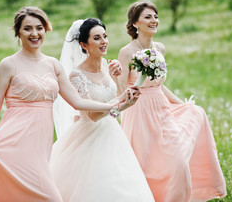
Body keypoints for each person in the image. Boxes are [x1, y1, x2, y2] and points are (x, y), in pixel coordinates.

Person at [0, 7, 122, 202]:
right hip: (12, 140)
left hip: (40, 146)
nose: (34, 33)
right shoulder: (8, 64)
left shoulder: (53, 65)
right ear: (18, 33)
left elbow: (77, 101)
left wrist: (113, 105)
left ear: (46, 30)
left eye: (39, 28)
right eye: (27, 29)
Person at [117, 1, 227, 202]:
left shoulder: (160, 48)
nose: (154, 21)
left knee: (177, 162)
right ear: (134, 23)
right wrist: (121, 91)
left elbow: (158, 85)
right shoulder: (127, 52)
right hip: (138, 112)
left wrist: (183, 105)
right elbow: (120, 89)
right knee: (146, 165)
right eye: (148, 17)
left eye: (156, 16)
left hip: (162, 109)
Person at [50, 18, 155, 202]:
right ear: (84, 44)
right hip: (89, 135)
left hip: (112, 132)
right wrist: (123, 106)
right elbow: (93, 115)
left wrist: (117, 80)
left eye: (105, 36)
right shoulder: (77, 75)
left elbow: (118, 95)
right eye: (97, 38)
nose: (104, 41)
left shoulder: (108, 66)